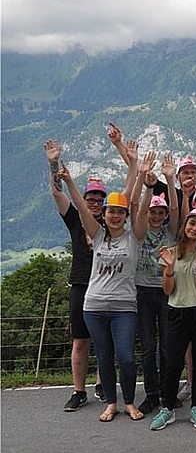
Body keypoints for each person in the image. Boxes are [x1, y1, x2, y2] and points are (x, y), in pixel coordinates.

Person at [57, 163, 145, 423]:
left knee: (126, 357)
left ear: (125, 215)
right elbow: (82, 210)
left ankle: (129, 402)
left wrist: (143, 177)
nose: (115, 216)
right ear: (104, 215)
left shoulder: (134, 238)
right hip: (93, 306)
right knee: (104, 356)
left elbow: (138, 202)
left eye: (120, 212)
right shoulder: (95, 235)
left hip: (124, 308)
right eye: (111, 212)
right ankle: (110, 404)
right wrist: (70, 181)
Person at [45, 139, 104, 411]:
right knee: (81, 342)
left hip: (105, 286)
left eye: (97, 199)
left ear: (103, 203)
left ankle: (103, 384)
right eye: (89, 198)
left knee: (106, 341)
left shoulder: (111, 223)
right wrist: (53, 164)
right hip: (80, 285)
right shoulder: (74, 220)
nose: (93, 203)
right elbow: (57, 194)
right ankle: (79, 391)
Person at [150, 207, 196, 430]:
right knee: (173, 362)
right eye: (192, 223)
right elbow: (168, 290)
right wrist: (169, 268)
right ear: (185, 224)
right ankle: (167, 407)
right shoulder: (170, 252)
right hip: (177, 311)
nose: (195, 228)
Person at [132, 154, 179, 415]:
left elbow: (174, 209)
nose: (158, 216)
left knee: (168, 345)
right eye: (154, 211)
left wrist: (170, 179)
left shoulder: (171, 229)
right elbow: (136, 206)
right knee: (149, 346)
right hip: (142, 291)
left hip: (166, 289)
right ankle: (151, 393)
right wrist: (145, 182)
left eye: (160, 212)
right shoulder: (139, 230)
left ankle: (166, 391)